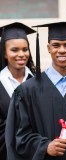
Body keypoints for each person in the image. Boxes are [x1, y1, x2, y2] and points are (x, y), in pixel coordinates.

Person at [5, 22, 66, 159]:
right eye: (56, 45)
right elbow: (20, 138)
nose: (62, 50)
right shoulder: (26, 91)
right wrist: (44, 146)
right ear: (48, 48)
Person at [0, 22, 36, 160]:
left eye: (25, 49)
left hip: (36, 153)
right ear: (4, 53)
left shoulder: (38, 81)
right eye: (14, 50)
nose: (21, 54)